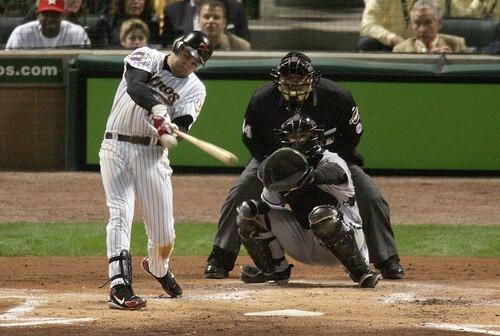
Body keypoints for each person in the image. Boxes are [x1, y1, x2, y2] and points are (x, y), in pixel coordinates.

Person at [204, 52, 405, 281]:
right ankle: (220, 258)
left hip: (327, 157)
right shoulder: (262, 100)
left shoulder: (337, 97)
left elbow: (351, 138)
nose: (294, 84)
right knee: (241, 193)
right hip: (275, 160)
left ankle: (387, 259)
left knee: (370, 195)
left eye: (300, 79)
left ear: (312, 79)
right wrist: (278, 166)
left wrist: (320, 162)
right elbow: (252, 140)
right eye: (288, 79)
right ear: (277, 79)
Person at [99, 31, 213, 310]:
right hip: (115, 145)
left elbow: (183, 124)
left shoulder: (195, 89)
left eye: (194, 62)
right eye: (186, 55)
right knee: (120, 213)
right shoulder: (146, 56)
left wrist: (173, 129)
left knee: (164, 233)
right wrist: (159, 108)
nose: (187, 64)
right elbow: (136, 87)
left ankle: (158, 267)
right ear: (177, 47)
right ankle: (119, 285)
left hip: (151, 154)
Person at [236, 114, 381, 288]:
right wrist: (271, 177)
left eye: (303, 136)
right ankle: (273, 269)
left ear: (317, 138)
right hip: (302, 242)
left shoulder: (331, 160)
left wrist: (308, 176)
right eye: (292, 137)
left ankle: (361, 271)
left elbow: (335, 174)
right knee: (249, 212)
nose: (298, 141)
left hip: (346, 239)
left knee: (322, 215)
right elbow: (268, 206)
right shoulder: (282, 169)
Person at [358, 0, 483, 51]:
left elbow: (464, 14)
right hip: (391, 51)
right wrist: (393, 38)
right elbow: (367, 25)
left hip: (429, 50)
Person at [5, 0, 90, 50]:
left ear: (63, 16)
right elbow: (7, 64)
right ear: (37, 16)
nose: (50, 19)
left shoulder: (77, 33)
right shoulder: (21, 33)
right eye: (46, 14)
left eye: (55, 14)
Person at [161, 0, 250, 47]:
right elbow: (166, 47)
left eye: (216, 17)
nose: (211, 21)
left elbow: (245, 45)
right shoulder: (172, 11)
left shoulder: (234, 8)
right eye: (206, 17)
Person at [394, 0, 467, 53]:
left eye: (427, 23)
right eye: (417, 23)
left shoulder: (457, 45)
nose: (422, 30)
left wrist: (452, 60)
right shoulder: (400, 50)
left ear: (439, 23)